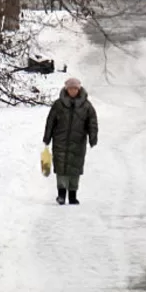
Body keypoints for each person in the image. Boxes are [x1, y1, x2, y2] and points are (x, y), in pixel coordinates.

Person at [42, 77, 99, 205]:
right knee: (61, 168)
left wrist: (93, 137)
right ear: (66, 89)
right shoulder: (58, 105)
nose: (72, 91)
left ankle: (73, 195)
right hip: (60, 141)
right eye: (70, 89)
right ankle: (61, 195)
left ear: (79, 89)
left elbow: (92, 123)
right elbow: (50, 122)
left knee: (75, 168)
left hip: (78, 142)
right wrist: (47, 137)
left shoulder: (86, 106)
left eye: (75, 89)